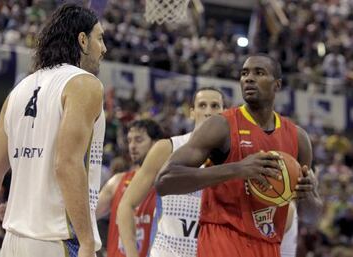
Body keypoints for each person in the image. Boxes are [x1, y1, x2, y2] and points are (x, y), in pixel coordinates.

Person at [0, 4, 107, 257]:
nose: (104, 48)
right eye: (100, 38)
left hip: (13, 242)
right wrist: (87, 242)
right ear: (83, 40)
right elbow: (66, 164)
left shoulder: (20, 89)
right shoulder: (85, 84)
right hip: (58, 240)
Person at [155, 54, 322, 257]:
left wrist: (307, 194)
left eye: (259, 73)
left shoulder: (298, 138)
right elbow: (164, 181)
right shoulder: (220, 125)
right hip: (222, 238)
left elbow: (311, 216)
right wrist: (237, 169)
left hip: (268, 245)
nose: (248, 78)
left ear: (277, 85)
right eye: (244, 73)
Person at [117, 87, 225, 257]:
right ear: (192, 112)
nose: (208, 112)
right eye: (202, 105)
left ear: (224, 113)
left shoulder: (233, 157)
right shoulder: (168, 148)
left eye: (215, 106)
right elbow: (126, 205)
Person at [96, 119, 164, 257]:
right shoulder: (117, 182)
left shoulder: (168, 186)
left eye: (139, 140)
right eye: (129, 140)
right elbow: (88, 216)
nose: (132, 146)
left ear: (157, 144)